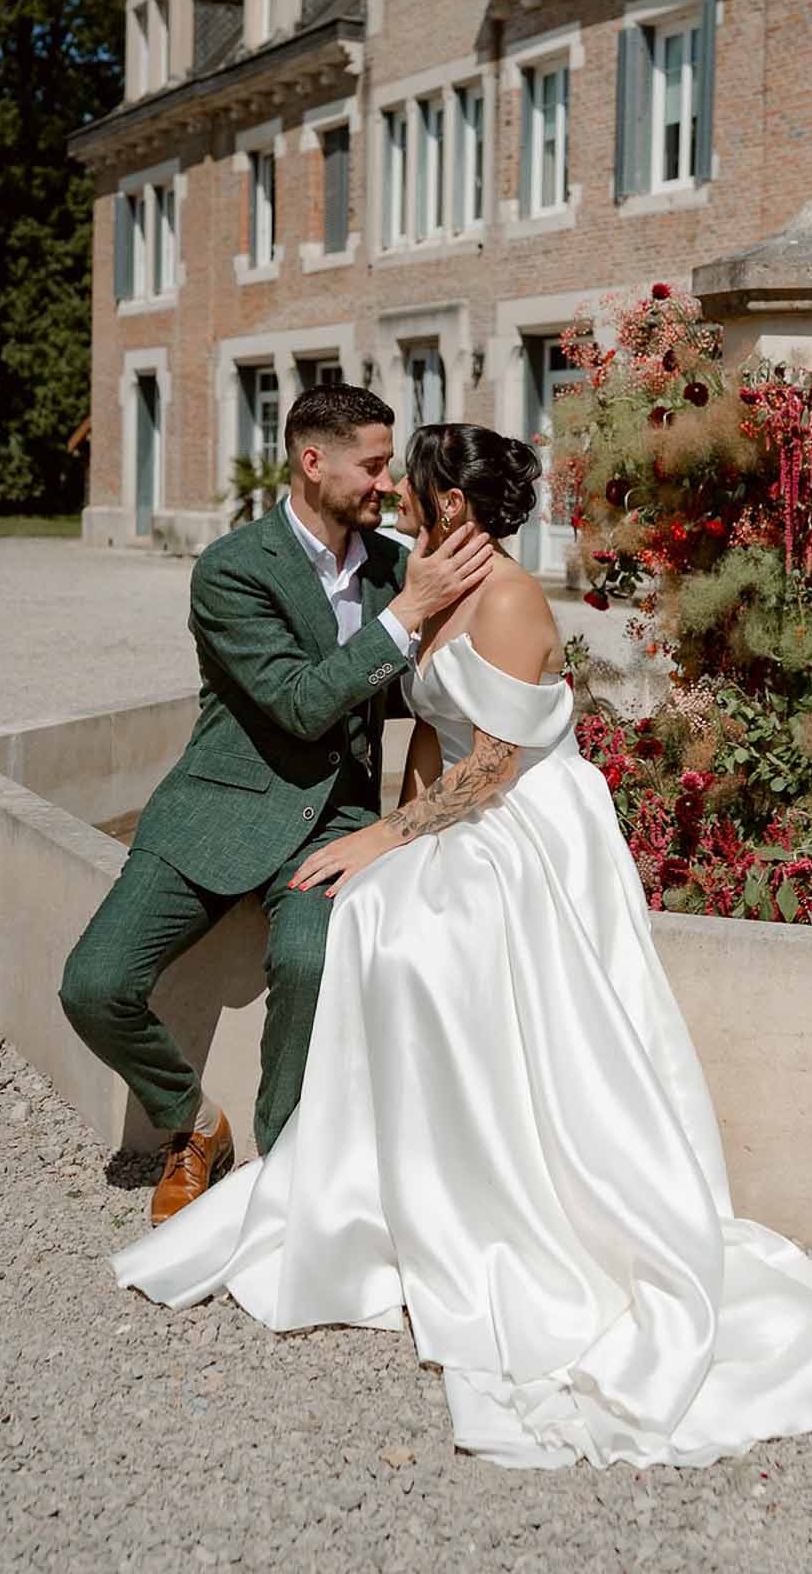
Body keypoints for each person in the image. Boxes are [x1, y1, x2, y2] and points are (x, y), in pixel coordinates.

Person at [111, 423, 812, 1471]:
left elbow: (495, 762)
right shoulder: (429, 575)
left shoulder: (507, 597)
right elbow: (424, 730)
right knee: (371, 912)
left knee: (420, 938)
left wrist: (383, 837)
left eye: (411, 483)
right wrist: (390, 832)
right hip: (448, 806)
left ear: (450, 499)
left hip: (521, 820)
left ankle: (494, 1197)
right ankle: (382, 1187)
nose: (399, 496)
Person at [59, 387, 493, 1226]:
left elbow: (433, 686)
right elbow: (298, 703)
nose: (386, 485)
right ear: (311, 461)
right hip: (217, 805)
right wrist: (406, 615)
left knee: (307, 963)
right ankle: (194, 1125)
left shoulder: (400, 563)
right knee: (94, 983)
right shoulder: (232, 569)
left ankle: (284, 1169)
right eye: (371, 465)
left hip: (333, 823)